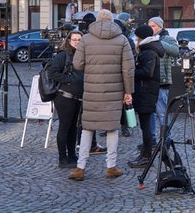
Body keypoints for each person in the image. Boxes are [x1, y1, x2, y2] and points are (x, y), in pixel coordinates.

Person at [69, 9, 135, 181]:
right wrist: (128, 92)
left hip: (92, 90)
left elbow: (77, 64)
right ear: (112, 21)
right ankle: (111, 166)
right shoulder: (122, 40)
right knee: (112, 128)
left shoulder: (86, 39)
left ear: (97, 21)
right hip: (114, 91)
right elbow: (128, 69)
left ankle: (80, 167)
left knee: (87, 128)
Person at [127, 25, 164, 168]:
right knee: (145, 125)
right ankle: (145, 154)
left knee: (146, 126)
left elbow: (147, 72)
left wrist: (132, 71)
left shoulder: (149, 52)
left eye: (137, 36)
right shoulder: (150, 49)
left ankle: (147, 156)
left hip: (146, 92)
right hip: (146, 91)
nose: (135, 38)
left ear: (141, 37)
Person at [48, 30, 84, 169]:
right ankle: (62, 158)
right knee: (64, 127)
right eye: (74, 39)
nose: (77, 42)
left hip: (77, 97)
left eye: (79, 39)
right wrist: (70, 80)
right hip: (64, 97)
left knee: (73, 128)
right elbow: (53, 72)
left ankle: (72, 155)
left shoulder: (81, 55)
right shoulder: (63, 55)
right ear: (69, 41)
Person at [147, 16, 180, 146]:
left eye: (153, 26)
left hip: (162, 80)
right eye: (149, 26)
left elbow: (175, 51)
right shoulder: (148, 39)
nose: (151, 29)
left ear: (160, 27)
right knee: (150, 113)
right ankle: (152, 139)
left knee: (162, 112)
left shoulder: (167, 38)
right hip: (150, 81)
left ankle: (166, 138)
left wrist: (158, 41)